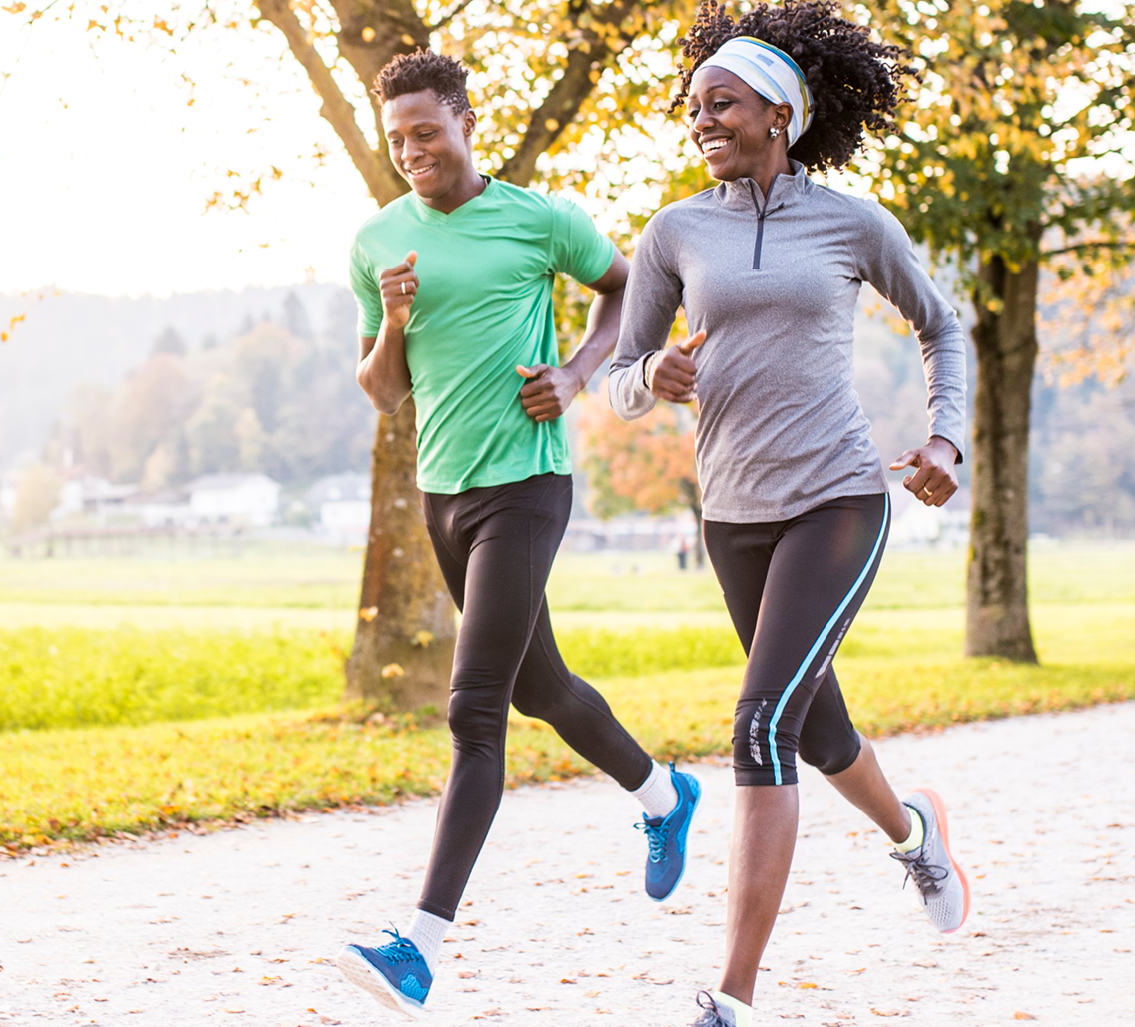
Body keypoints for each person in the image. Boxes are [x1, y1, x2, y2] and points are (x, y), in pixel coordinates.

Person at [605, 3, 971, 1024]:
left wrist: (945, 440)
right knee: (812, 727)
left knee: (760, 723)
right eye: (691, 109)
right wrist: (655, 376)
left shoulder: (852, 224)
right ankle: (912, 834)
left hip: (837, 498)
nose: (700, 121)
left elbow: (943, 328)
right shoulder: (675, 230)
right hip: (731, 511)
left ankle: (732, 996)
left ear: (780, 112)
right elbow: (620, 379)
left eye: (720, 104)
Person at [335, 50, 701, 1018]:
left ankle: (418, 945)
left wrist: (579, 373)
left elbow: (626, 288)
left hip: (527, 480)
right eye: (398, 136)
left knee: (475, 708)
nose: (412, 149)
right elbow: (382, 391)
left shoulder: (539, 217)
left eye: (427, 129)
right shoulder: (376, 241)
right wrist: (396, 323)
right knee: (541, 685)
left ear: (463, 122)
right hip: (442, 490)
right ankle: (664, 793)